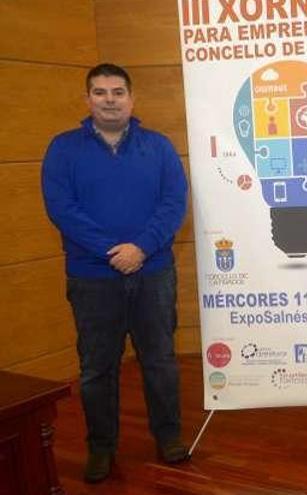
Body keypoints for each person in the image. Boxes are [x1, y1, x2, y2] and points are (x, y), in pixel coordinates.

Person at [41, 63, 189, 483]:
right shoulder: (63, 149)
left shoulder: (159, 147)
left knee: (159, 360)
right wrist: (113, 252)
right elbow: (61, 208)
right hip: (92, 277)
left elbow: (174, 203)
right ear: (87, 99)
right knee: (96, 368)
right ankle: (101, 447)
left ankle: (169, 436)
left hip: (154, 272)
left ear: (131, 98)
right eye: (101, 92)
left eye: (118, 92)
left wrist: (141, 247)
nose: (109, 99)